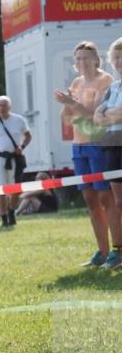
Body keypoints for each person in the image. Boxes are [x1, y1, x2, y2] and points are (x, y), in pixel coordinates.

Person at [56, 40, 122, 268]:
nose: (81, 62)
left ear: (96, 59)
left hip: (99, 142)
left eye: (85, 57)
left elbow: (94, 115)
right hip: (79, 144)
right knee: (90, 200)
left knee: (107, 198)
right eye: (77, 58)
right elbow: (66, 119)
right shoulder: (76, 82)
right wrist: (67, 104)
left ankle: (117, 250)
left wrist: (73, 104)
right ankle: (102, 251)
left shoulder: (106, 80)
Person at [0, 96, 32, 229]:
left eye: (4, 105)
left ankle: (11, 212)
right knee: (0, 187)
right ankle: (3, 216)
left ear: (10, 106)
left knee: (16, 188)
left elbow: (28, 136)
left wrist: (22, 147)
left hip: (15, 158)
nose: (2, 108)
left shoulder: (19, 120)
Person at [93, 37, 122, 269]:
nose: (119, 61)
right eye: (117, 57)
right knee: (119, 202)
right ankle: (119, 251)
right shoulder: (112, 88)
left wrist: (107, 114)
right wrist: (112, 114)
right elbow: (97, 118)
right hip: (112, 144)